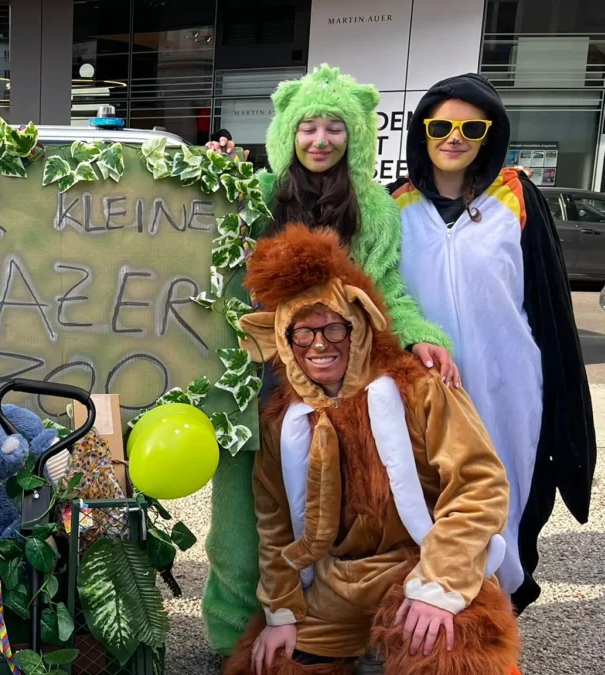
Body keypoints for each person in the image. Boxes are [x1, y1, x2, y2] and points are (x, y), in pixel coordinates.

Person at [199, 65, 457, 656]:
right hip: (255, 372)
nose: (319, 140)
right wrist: (214, 174)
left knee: (338, 511)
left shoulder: (376, 209)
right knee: (244, 514)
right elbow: (206, 254)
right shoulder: (255, 192)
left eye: (334, 128)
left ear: (357, 134)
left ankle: (333, 632)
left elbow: (386, 287)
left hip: (340, 381)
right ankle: (235, 635)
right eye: (307, 127)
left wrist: (417, 334)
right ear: (287, 130)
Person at [225, 224, 519, 675]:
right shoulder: (281, 421)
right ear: (282, 339)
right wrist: (280, 611)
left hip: (419, 560)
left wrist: (440, 584)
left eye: (333, 329)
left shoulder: (418, 387)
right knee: (268, 664)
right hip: (336, 581)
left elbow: (479, 485)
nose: (319, 345)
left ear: (359, 322)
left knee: (452, 657)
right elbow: (276, 525)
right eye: (302, 333)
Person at [390, 73, 595, 612]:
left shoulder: (518, 195)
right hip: (427, 385)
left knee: (504, 489)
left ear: (489, 133)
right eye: (440, 125)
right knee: (424, 492)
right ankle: (430, 608)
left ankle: (496, 611)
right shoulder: (396, 204)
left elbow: (550, 302)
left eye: (470, 127)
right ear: (422, 132)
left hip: (508, 383)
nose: (453, 137)